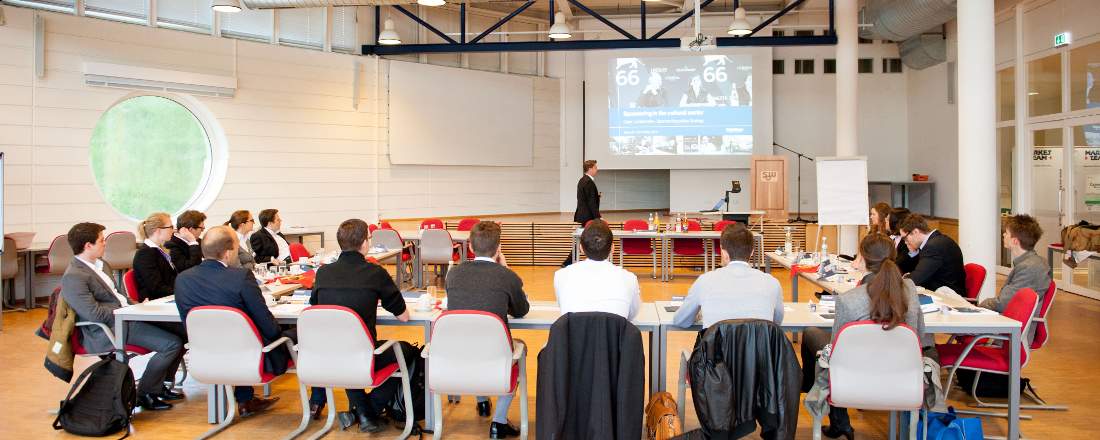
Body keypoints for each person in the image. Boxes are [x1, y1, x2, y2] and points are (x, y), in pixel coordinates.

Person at [801, 234, 934, 440]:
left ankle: (837, 417)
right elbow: (920, 335)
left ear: (862, 260)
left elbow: (837, 351)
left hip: (851, 383)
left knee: (811, 334)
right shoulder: (910, 291)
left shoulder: (848, 300)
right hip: (903, 380)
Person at [61, 222, 184, 411]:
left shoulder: (102, 265)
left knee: (183, 332)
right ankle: (146, 393)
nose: (105, 244)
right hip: (109, 328)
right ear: (88, 245)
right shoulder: (74, 276)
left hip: (127, 317)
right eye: (102, 240)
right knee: (171, 344)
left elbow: (119, 297)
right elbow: (93, 313)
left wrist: (136, 306)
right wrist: (125, 311)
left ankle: (159, 386)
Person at [309, 219, 410, 433]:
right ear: (365, 243)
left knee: (346, 347)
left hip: (327, 352)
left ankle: (362, 413)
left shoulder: (323, 273)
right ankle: (368, 410)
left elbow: (316, 308)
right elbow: (403, 316)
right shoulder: (375, 273)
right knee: (409, 352)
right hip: (363, 353)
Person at [174, 226, 283, 417]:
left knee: (232, 335)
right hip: (250, 356)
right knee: (281, 334)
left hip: (205, 353)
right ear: (227, 252)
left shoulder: (183, 279)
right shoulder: (240, 277)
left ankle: (245, 399)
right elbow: (269, 327)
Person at [445, 221, 530, 439]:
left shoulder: (453, 274)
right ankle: (499, 421)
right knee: (521, 349)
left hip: (458, 353)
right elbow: (521, 310)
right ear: (499, 247)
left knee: (474, 339)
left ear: (470, 247)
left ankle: (482, 401)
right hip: (495, 355)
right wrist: (506, 268)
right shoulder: (505, 276)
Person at [673, 223, 784, 328]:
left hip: (716, 348)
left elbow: (681, 321)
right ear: (751, 252)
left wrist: (699, 315)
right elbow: (776, 322)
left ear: (724, 253)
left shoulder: (704, 281)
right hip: (758, 348)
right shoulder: (772, 283)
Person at [980, 214, 1051, 344]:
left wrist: (981, 305)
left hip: (1010, 335)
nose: (1003, 235)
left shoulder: (1030, 268)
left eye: (1006, 233)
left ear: (1015, 241)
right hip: (1007, 326)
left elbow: (1003, 304)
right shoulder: (1030, 263)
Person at [554, 220, 642, 320]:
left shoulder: (561, 276)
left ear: (581, 248)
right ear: (613, 249)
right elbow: (631, 315)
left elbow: (563, 311)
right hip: (614, 335)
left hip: (575, 335)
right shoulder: (629, 279)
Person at [897, 214, 967, 295]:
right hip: (943, 293)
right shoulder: (937, 240)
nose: (905, 242)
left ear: (915, 232)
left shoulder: (933, 247)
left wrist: (904, 279)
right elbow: (920, 272)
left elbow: (916, 280)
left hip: (949, 299)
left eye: (905, 238)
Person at [562, 160, 601, 267]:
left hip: (585, 215)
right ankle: (568, 261)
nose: (597, 169)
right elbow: (591, 202)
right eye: (595, 167)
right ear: (590, 169)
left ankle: (569, 261)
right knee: (582, 238)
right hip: (588, 216)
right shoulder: (588, 181)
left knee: (582, 237)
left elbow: (588, 199)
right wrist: (598, 217)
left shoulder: (583, 180)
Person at [132, 212, 178, 302]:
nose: (173, 230)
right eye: (170, 227)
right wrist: (181, 293)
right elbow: (156, 288)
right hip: (156, 301)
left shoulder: (157, 250)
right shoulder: (145, 254)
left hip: (167, 297)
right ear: (158, 230)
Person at [889, 207, 916, 273]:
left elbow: (900, 264)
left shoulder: (906, 242)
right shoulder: (891, 236)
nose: (885, 221)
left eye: (887, 220)